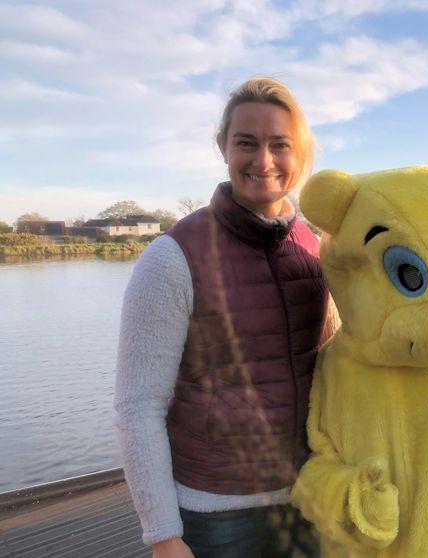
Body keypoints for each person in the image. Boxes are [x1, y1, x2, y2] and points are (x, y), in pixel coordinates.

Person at [115, 77, 335, 558]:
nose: (263, 161)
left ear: (299, 154)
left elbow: (339, 363)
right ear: (223, 147)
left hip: (308, 500)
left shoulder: (316, 249)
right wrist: (164, 535)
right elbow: (138, 406)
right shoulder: (172, 258)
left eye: (280, 144)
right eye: (246, 143)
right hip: (215, 515)